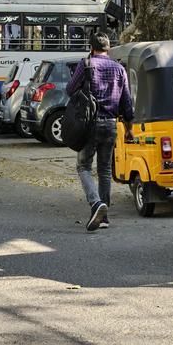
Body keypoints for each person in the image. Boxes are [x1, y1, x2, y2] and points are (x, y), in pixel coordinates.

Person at [66, 31, 134, 232]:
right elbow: (127, 102)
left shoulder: (86, 64)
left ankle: (96, 203)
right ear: (108, 48)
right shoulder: (119, 68)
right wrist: (130, 128)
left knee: (83, 166)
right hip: (111, 124)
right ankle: (104, 218)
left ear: (91, 47)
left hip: (90, 125)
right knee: (105, 170)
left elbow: (70, 89)